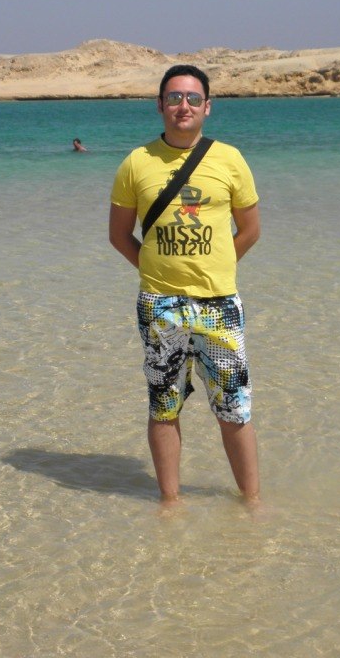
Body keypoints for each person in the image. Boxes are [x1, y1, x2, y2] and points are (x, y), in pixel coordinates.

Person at [109, 64, 261, 505]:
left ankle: (252, 503)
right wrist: (158, 273)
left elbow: (250, 229)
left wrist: (216, 270)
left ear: (207, 107)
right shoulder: (136, 162)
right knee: (164, 406)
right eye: (174, 98)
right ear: (160, 105)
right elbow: (119, 235)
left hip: (219, 305)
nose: (183, 106)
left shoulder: (230, 159)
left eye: (193, 99)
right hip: (161, 305)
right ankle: (170, 504)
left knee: (234, 408)